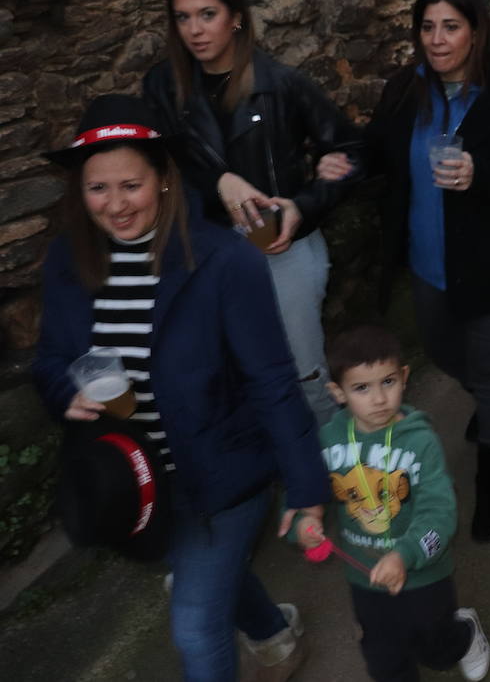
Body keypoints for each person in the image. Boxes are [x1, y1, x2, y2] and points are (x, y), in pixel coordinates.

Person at [33, 94, 328, 681]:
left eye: (130, 185)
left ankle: (263, 632)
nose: (115, 205)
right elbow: (51, 358)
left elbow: (271, 380)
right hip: (139, 478)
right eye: (98, 189)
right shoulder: (67, 259)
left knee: (195, 623)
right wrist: (66, 392)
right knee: (208, 573)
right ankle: (274, 634)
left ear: (164, 180)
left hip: (222, 475)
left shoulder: (222, 261)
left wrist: (306, 484)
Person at [319, 0, 490, 542]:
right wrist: (348, 162)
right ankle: (486, 397)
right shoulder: (409, 89)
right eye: (427, 27)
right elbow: (378, 147)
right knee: (442, 353)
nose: (437, 39)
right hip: (429, 266)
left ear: (476, 32)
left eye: (450, 27)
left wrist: (485, 175)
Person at [143, 0, 360, 427]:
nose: (195, 30)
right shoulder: (162, 87)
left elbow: (354, 151)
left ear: (236, 17)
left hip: (281, 248)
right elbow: (164, 160)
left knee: (302, 372)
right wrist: (219, 180)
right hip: (207, 251)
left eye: (207, 14)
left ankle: (336, 465)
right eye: (183, 17)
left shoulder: (281, 85)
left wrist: (305, 204)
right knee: (229, 371)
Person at [290, 325, 490, 682]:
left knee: (434, 645)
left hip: (424, 570)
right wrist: (303, 525)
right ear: (337, 393)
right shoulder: (328, 440)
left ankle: (463, 635)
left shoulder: (420, 441)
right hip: (365, 576)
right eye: (361, 388)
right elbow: (307, 496)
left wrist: (405, 555)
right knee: (383, 656)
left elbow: (440, 511)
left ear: (404, 377)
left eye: (388, 382)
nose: (379, 399)